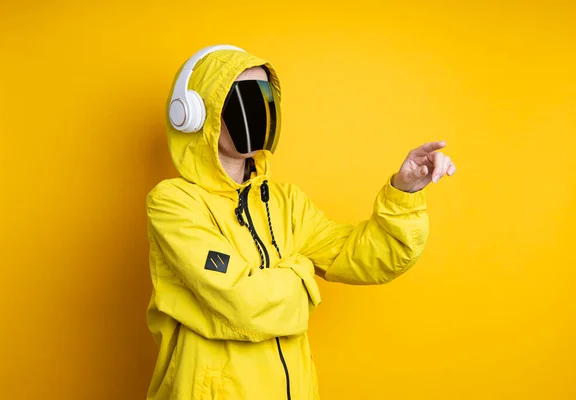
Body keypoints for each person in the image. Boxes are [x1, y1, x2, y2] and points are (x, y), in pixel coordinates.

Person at [145, 45, 456, 400]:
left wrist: (404, 194)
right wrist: (302, 274)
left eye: (264, 97)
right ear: (199, 114)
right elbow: (243, 302)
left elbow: (366, 258)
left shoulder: (285, 202)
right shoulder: (173, 203)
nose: (258, 111)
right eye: (243, 99)